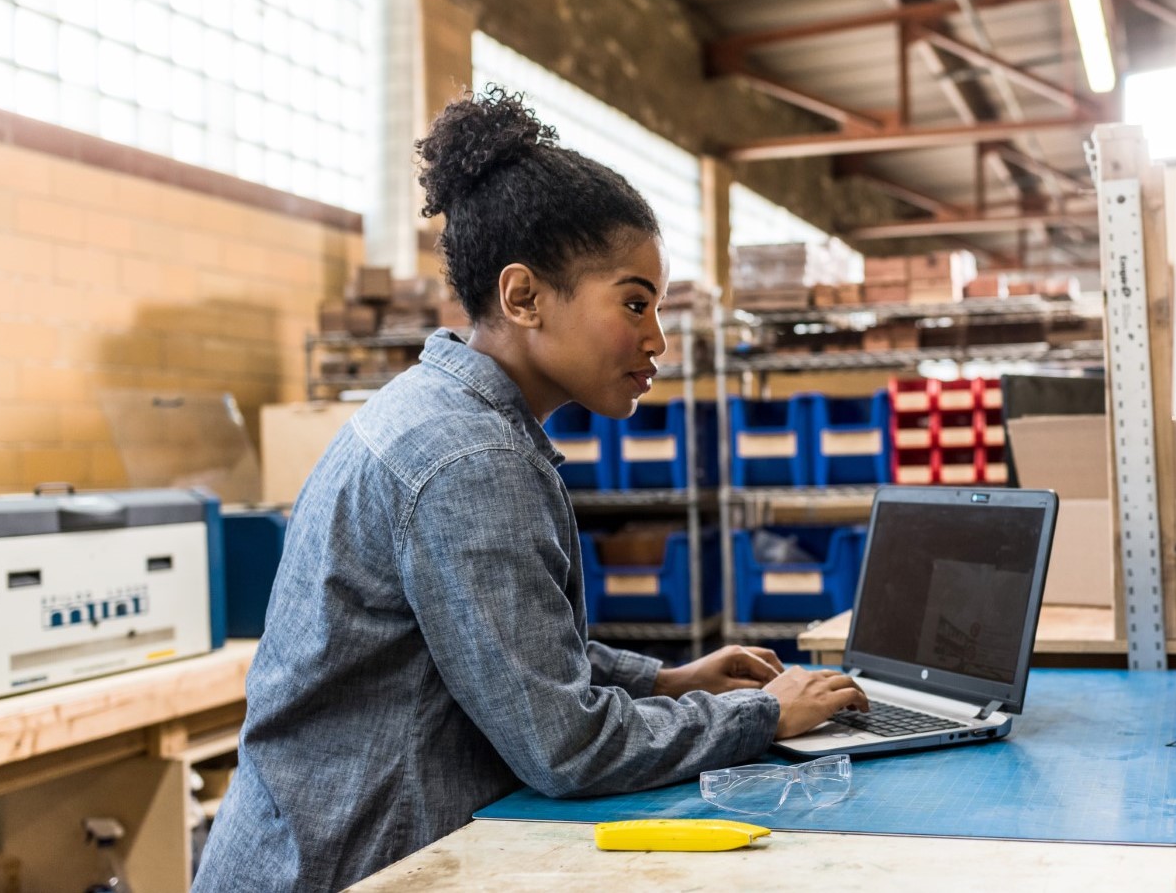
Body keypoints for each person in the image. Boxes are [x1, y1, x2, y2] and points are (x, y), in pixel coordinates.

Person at [195, 85, 869, 892]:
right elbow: (566, 748)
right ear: (523, 297)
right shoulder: (469, 460)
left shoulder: (441, 414)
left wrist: (665, 680)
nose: (656, 340)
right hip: (346, 868)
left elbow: (503, 652)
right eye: (633, 303)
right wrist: (761, 716)